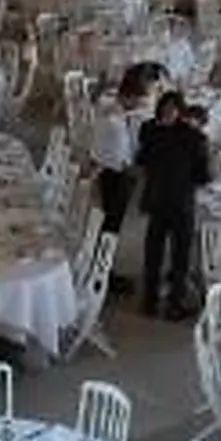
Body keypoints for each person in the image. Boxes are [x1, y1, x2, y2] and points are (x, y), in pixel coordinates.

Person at [135, 89, 211, 320]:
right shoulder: (195, 138)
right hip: (181, 203)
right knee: (180, 256)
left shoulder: (148, 130)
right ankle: (174, 305)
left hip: (156, 199)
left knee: (153, 252)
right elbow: (203, 177)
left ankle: (149, 301)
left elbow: (140, 160)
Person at [90, 66, 158, 294]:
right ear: (130, 95)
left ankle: (103, 270)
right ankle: (103, 276)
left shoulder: (109, 107)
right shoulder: (115, 123)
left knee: (109, 226)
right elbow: (126, 165)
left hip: (106, 171)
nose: (144, 103)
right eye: (142, 97)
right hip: (115, 177)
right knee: (111, 227)